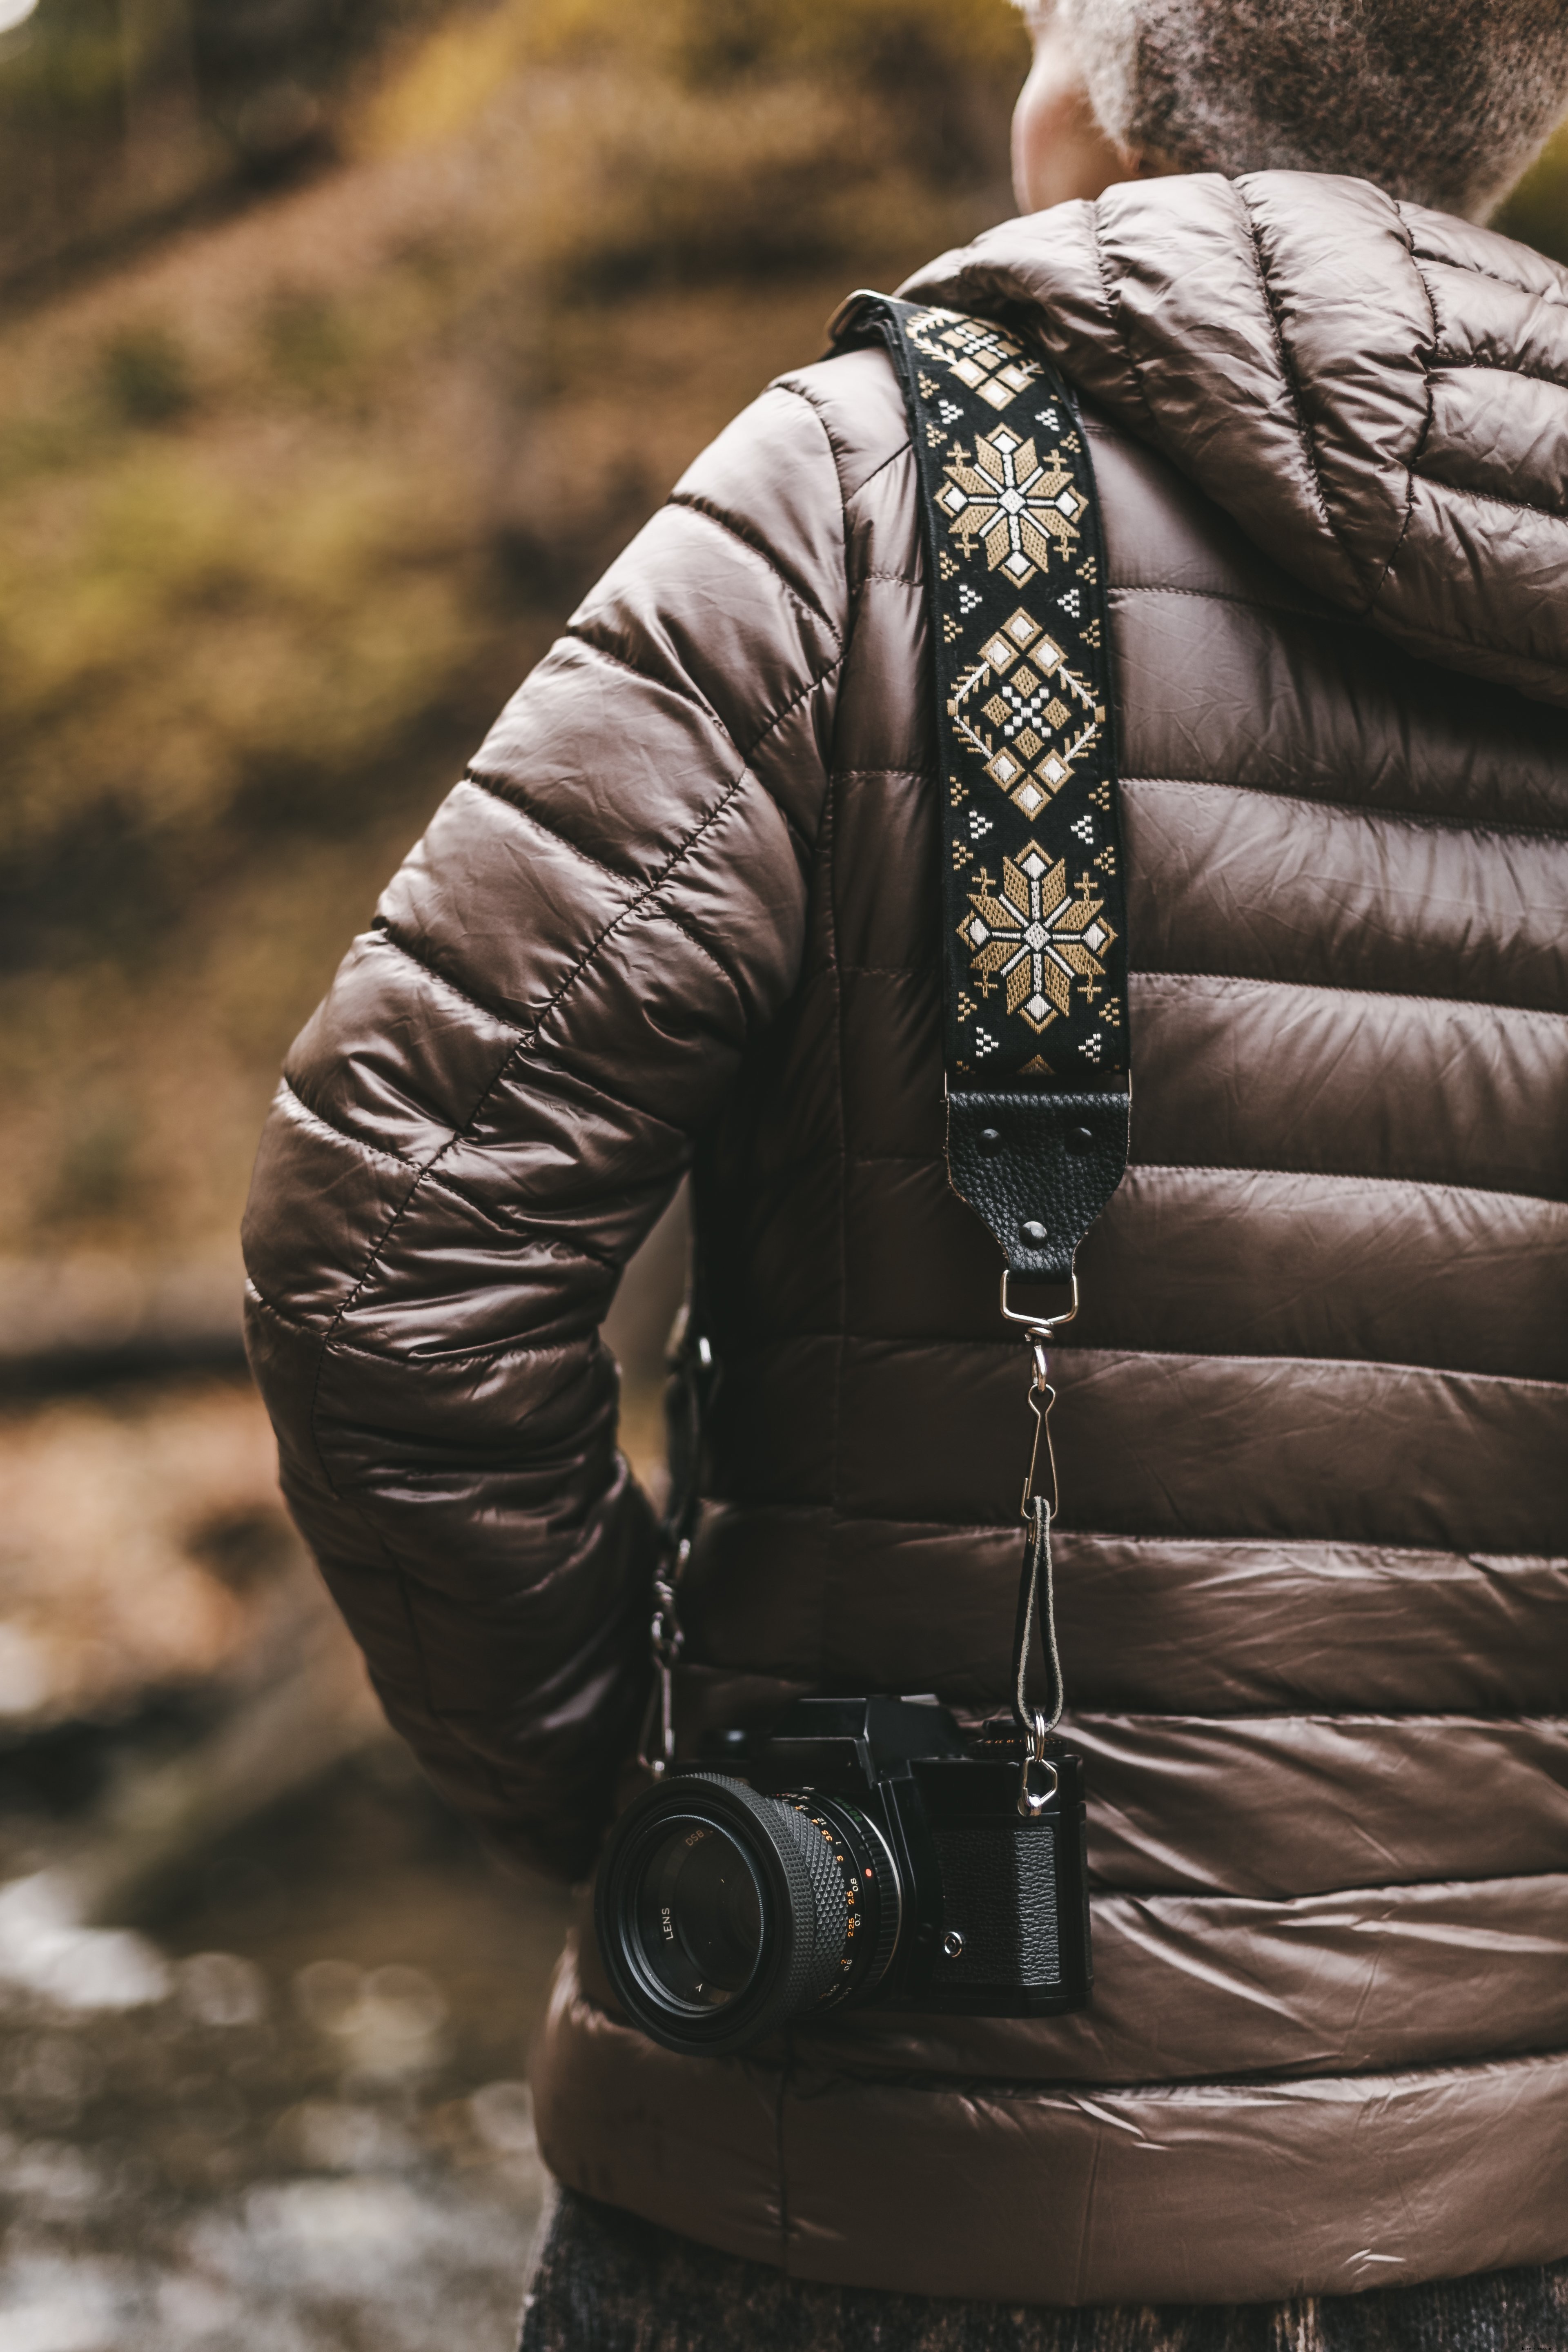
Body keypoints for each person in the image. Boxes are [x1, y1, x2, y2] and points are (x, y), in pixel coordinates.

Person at [241, 1, 1568, 2344]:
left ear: (1097, 75)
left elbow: (393, 1242)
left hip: (863, 2194)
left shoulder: (874, 496)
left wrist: (630, 1792)